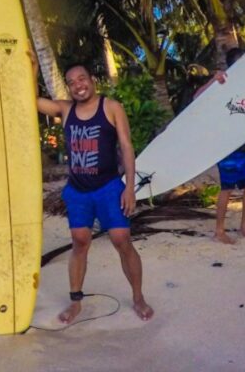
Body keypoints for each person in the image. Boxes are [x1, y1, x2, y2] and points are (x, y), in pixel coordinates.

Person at [32, 55, 154, 324]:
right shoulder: (65, 110)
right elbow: (33, 101)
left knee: (122, 240)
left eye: (82, 79)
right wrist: (31, 69)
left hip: (109, 188)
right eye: (71, 83)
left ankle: (138, 297)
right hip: (78, 191)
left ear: (92, 80)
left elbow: (127, 147)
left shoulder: (111, 107)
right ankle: (76, 302)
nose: (78, 86)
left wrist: (129, 188)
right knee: (80, 242)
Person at [195, 47, 245, 244]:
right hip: (226, 147)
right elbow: (197, 98)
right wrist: (212, 81)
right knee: (227, 189)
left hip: (244, 145)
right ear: (233, 64)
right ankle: (219, 231)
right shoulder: (222, 83)